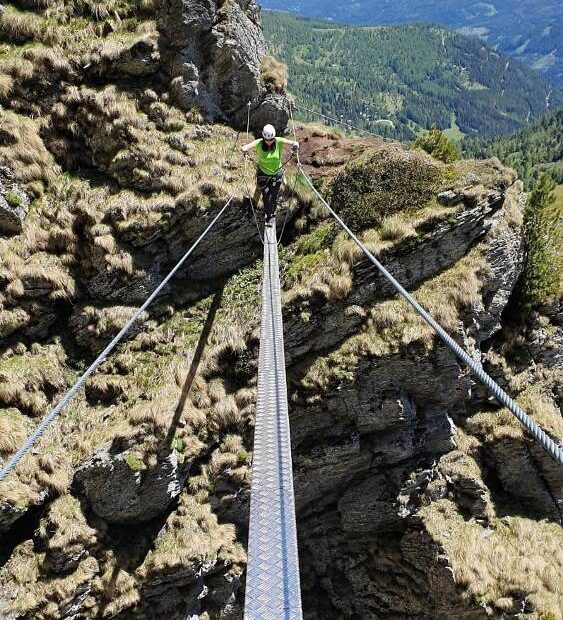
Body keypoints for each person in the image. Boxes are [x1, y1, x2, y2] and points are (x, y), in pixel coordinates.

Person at [241, 124, 299, 225]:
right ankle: (269, 215)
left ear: (274, 137)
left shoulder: (278, 141)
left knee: (273, 194)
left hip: (276, 174)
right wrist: (245, 149)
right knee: (267, 195)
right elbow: (245, 147)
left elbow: (293, 142)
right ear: (263, 137)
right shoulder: (259, 142)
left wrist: (295, 145)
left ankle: (270, 208)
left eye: (271, 139)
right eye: (267, 140)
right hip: (263, 175)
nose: (269, 142)